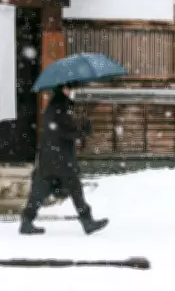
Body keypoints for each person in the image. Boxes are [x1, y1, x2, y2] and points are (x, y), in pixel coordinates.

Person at [19, 85, 108, 235]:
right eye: (67, 88)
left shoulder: (57, 106)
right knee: (74, 187)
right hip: (60, 157)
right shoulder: (58, 107)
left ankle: (27, 221)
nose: (70, 91)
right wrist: (83, 130)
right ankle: (87, 221)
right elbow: (64, 131)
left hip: (51, 156)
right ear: (61, 90)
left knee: (41, 189)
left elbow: (63, 128)